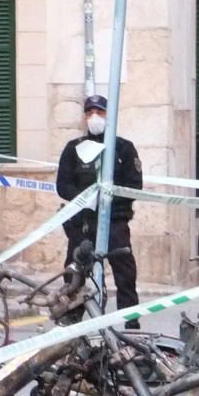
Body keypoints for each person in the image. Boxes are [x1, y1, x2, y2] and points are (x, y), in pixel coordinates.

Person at [56, 94, 143, 325]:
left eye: (100, 112)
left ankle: (131, 324)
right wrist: (87, 199)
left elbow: (135, 186)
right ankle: (70, 326)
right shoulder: (73, 149)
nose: (95, 117)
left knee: (125, 275)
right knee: (74, 275)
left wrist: (110, 197)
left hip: (115, 223)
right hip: (83, 225)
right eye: (90, 113)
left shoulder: (124, 149)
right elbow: (62, 185)